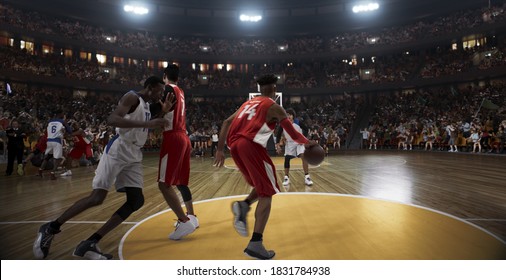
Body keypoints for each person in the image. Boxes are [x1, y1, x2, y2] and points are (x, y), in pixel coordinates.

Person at [33, 76, 171, 260]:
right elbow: (112, 119)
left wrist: (161, 114)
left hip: (134, 153)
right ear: (151, 87)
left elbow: (143, 128)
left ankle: (90, 242)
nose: (161, 95)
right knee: (97, 198)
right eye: (160, 91)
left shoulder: (146, 105)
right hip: (118, 149)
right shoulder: (131, 97)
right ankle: (50, 227)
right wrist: (148, 123)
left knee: (136, 200)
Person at [214, 74, 316, 260]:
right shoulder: (275, 107)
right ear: (275, 89)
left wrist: (220, 150)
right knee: (267, 193)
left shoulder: (247, 104)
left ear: (260, 89)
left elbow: (226, 122)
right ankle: (256, 243)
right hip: (251, 145)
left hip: (234, 147)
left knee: (263, 186)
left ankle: (243, 206)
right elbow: (292, 133)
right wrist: (308, 142)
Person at [157, 64, 198, 240]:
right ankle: (192, 216)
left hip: (172, 136)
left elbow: (159, 112)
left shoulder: (166, 89)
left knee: (163, 184)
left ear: (164, 76)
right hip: (183, 136)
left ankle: (184, 221)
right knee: (180, 182)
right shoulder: (180, 91)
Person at [275, 108, 313, 188]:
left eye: (290, 115)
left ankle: (307, 177)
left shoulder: (298, 122)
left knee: (303, 156)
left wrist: (303, 139)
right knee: (287, 159)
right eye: (287, 115)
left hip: (299, 142)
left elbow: (306, 129)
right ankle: (286, 178)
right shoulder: (283, 123)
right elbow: (278, 134)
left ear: (293, 116)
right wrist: (277, 143)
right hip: (289, 143)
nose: (288, 116)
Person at [39, 109, 72, 180]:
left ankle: (40, 169)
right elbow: (70, 131)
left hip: (49, 140)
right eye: (63, 114)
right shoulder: (62, 121)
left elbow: (46, 131)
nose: (63, 115)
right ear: (60, 114)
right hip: (57, 141)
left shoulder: (50, 121)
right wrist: (65, 129)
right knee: (58, 158)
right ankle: (52, 173)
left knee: (48, 156)